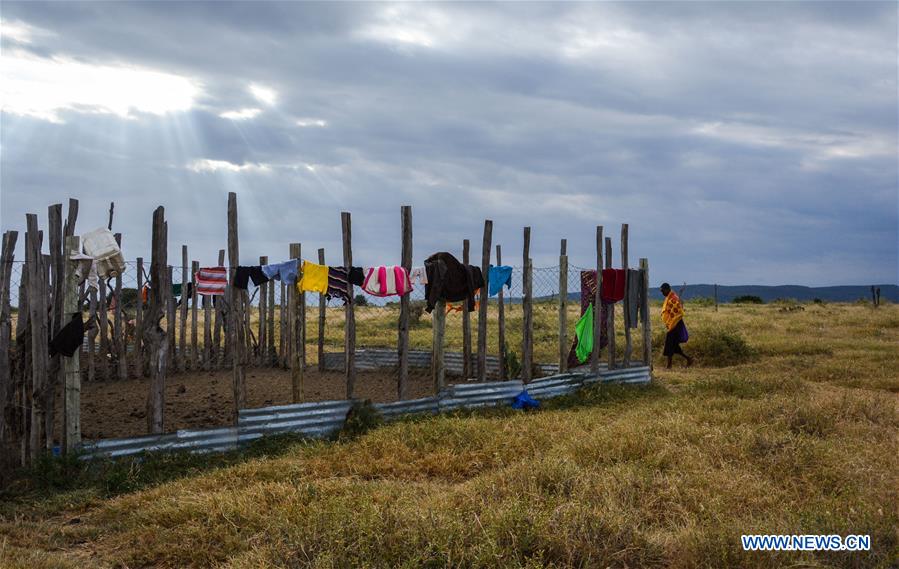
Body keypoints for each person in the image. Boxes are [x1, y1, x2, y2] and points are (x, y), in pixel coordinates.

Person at [660, 282, 692, 368]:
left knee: (670, 343)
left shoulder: (673, 298)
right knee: (673, 345)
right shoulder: (669, 297)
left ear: (667, 289)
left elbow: (677, 313)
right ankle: (688, 359)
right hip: (673, 324)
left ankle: (669, 365)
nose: (662, 293)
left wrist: (672, 324)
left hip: (676, 324)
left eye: (663, 291)